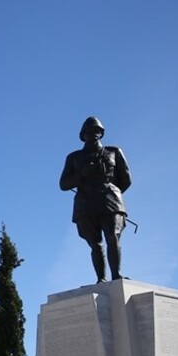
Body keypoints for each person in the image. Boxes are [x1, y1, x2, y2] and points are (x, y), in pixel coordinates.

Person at [59, 116, 132, 283]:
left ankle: (116, 275)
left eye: (97, 131)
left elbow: (126, 179)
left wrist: (111, 191)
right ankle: (101, 278)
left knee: (113, 237)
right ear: (83, 135)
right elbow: (63, 184)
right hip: (86, 203)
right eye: (89, 132)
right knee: (95, 243)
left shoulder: (114, 152)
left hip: (110, 200)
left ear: (101, 133)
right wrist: (81, 174)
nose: (93, 134)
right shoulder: (74, 158)